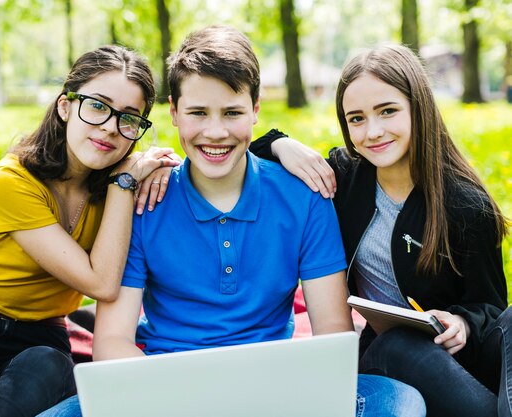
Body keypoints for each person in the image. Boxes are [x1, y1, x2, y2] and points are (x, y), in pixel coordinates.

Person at [38, 26, 425, 417]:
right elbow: (112, 342)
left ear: (256, 110)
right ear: (173, 112)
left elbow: (332, 334)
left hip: (277, 389)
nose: (216, 132)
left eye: (232, 113)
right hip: (165, 392)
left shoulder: (305, 196)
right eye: (198, 113)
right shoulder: (142, 202)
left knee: (399, 402)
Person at [0, 45, 179, 417]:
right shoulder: (11, 180)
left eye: (129, 118)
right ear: (65, 106)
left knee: (51, 360)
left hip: (40, 343)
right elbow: (101, 284)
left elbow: (216, 161)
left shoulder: (119, 189)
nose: (111, 127)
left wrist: (275, 143)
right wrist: (124, 180)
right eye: (97, 106)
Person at [250, 44, 511, 417]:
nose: (372, 132)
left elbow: (490, 307)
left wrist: (463, 322)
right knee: (398, 343)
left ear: (417, 109)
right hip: (391, 355)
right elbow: (244, 155)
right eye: (356, 119)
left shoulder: (465, 204)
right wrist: (281, 144)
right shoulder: (342, 179)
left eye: (387, 111)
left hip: (460, 356)